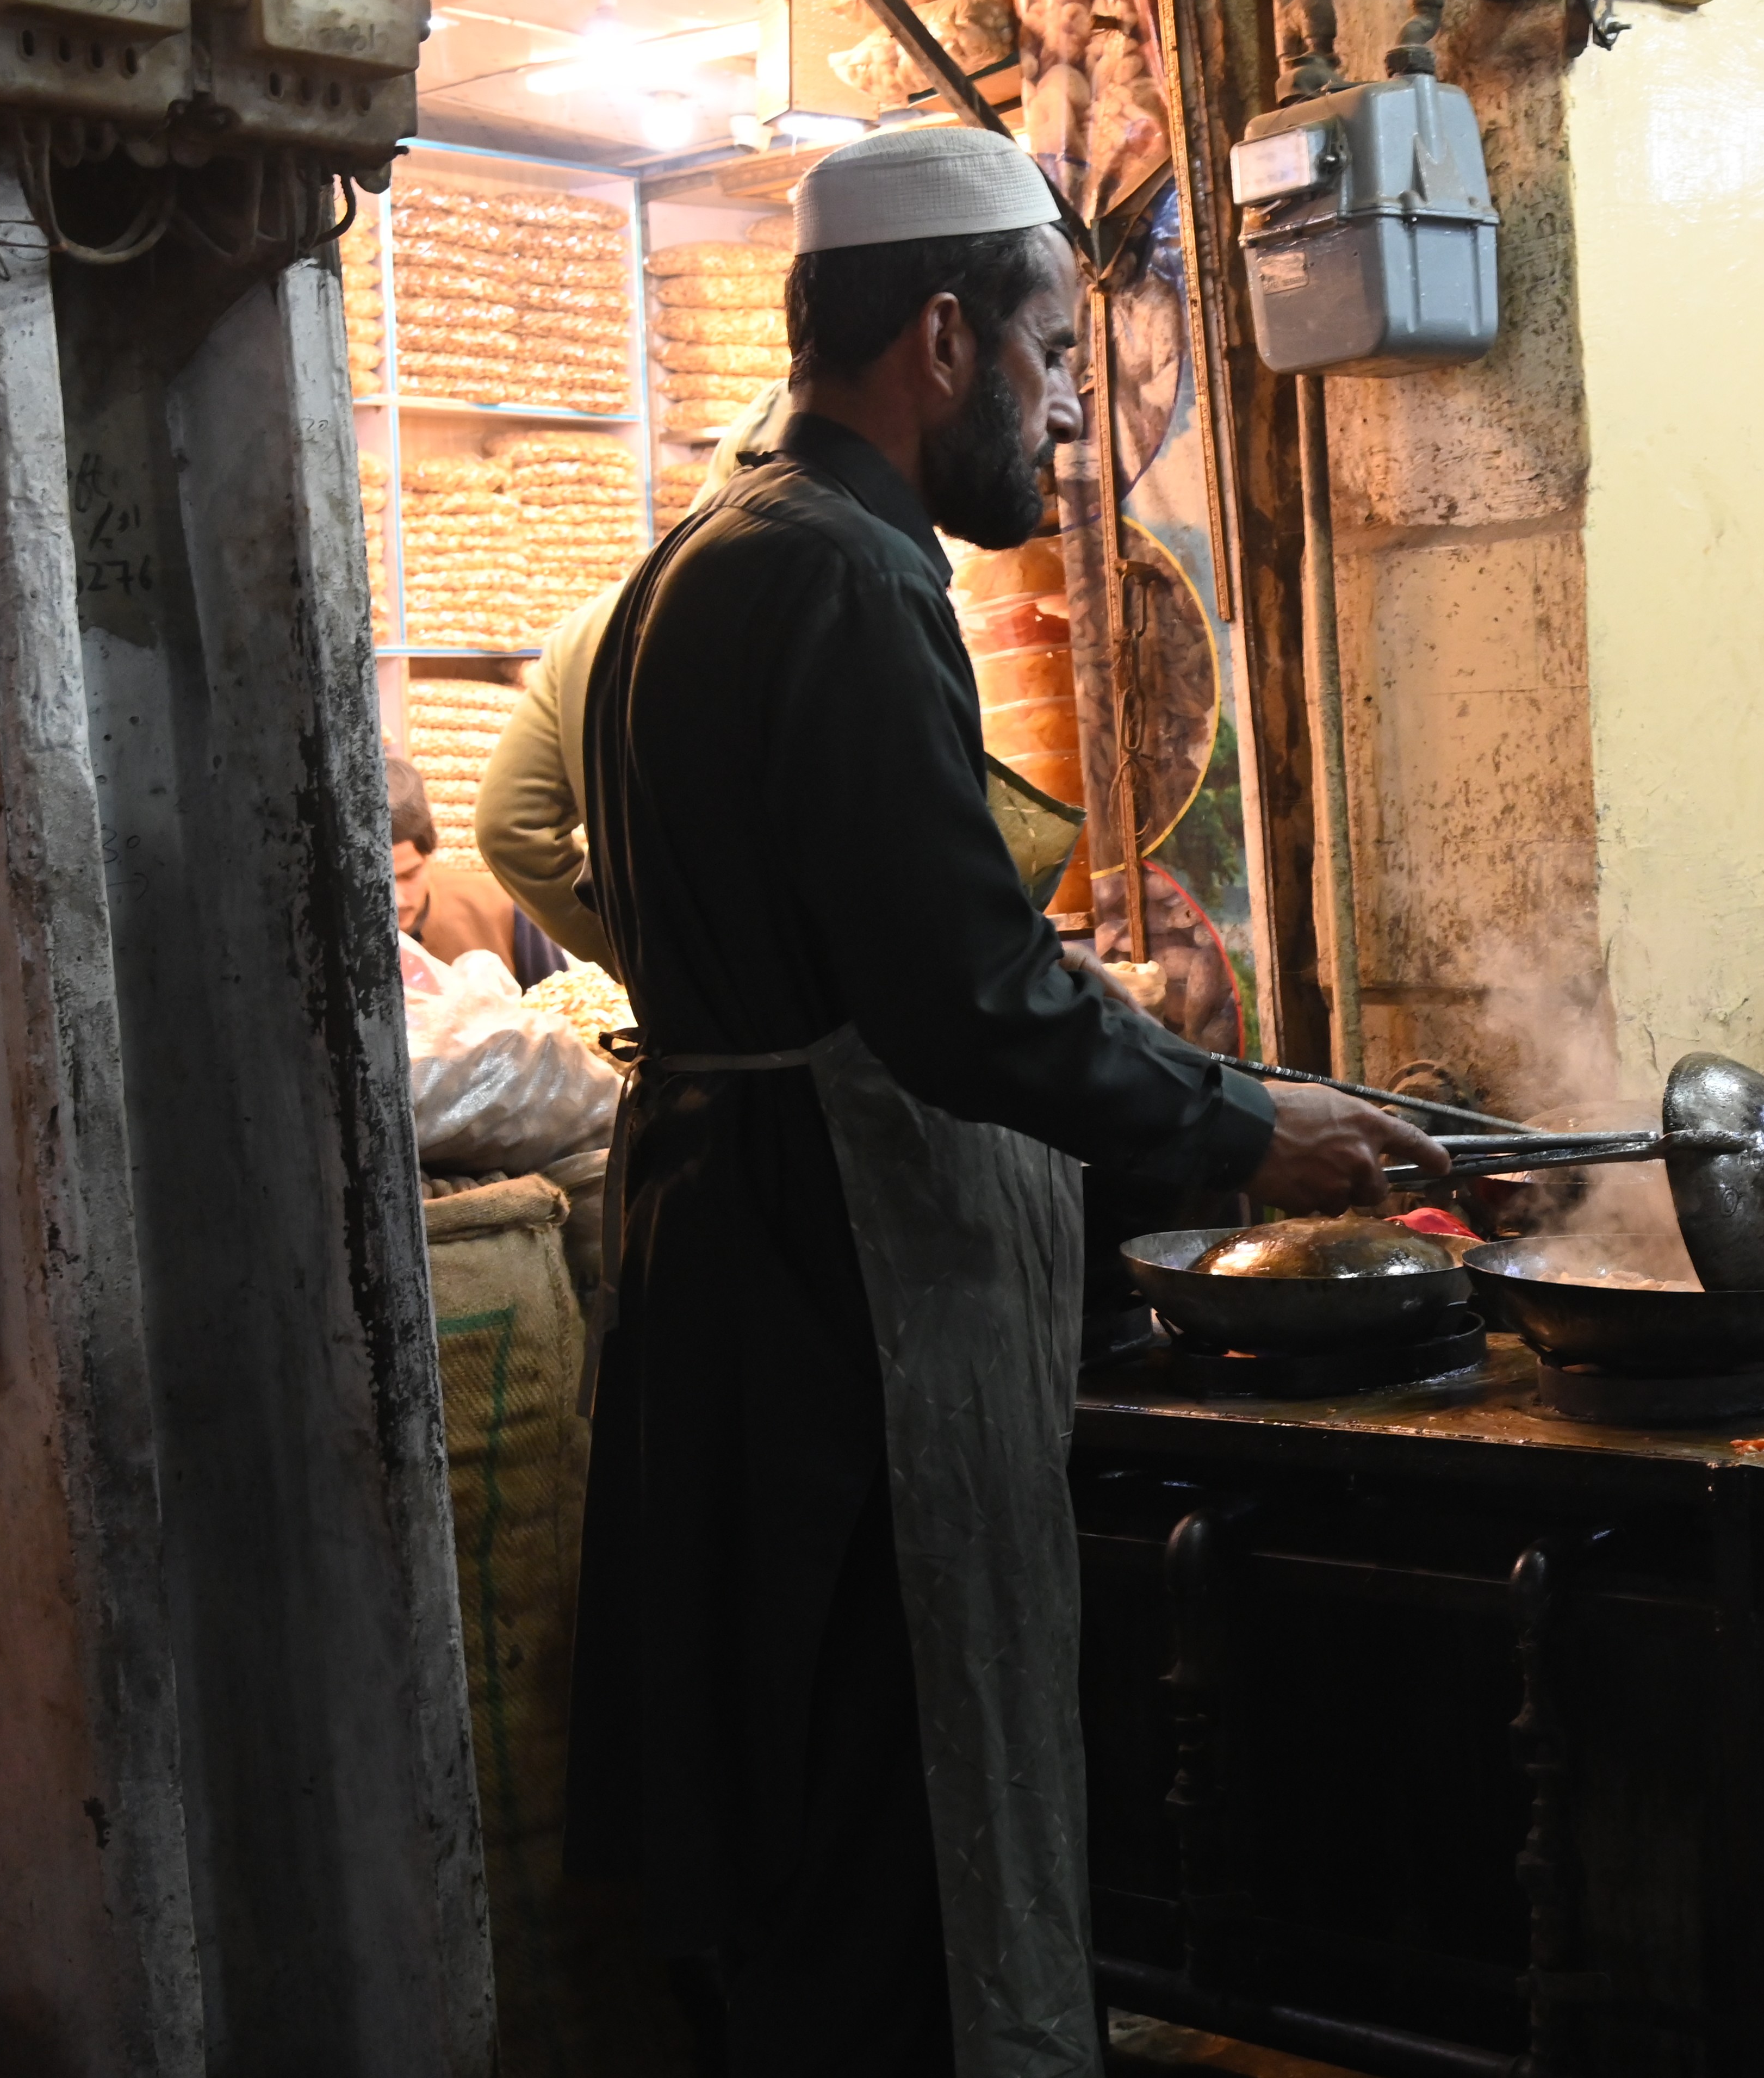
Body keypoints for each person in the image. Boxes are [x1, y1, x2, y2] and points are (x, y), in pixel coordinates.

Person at [557, 126, 1446, 2077]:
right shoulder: (850, 585)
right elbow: (965, 1001)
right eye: (1051, 354)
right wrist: (1244, 1125)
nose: (1061, 413)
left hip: (731, 1275)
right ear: (940, 334)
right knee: (914, 1829)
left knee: (790, 1823)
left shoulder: (684, 572)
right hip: (846, 1306)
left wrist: (1225, 1080)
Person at [476, 381, 789, 973]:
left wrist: (637, 960)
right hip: (826, 1033)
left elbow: (507, 826)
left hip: (688, 1024)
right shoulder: (832, 611)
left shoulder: (592, 627)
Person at [386, 749, 561, 983]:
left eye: (410, 875)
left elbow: (560, 1003)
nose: (398, 900)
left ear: (428, 856)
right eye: (379, 885)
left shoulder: (502, 908)